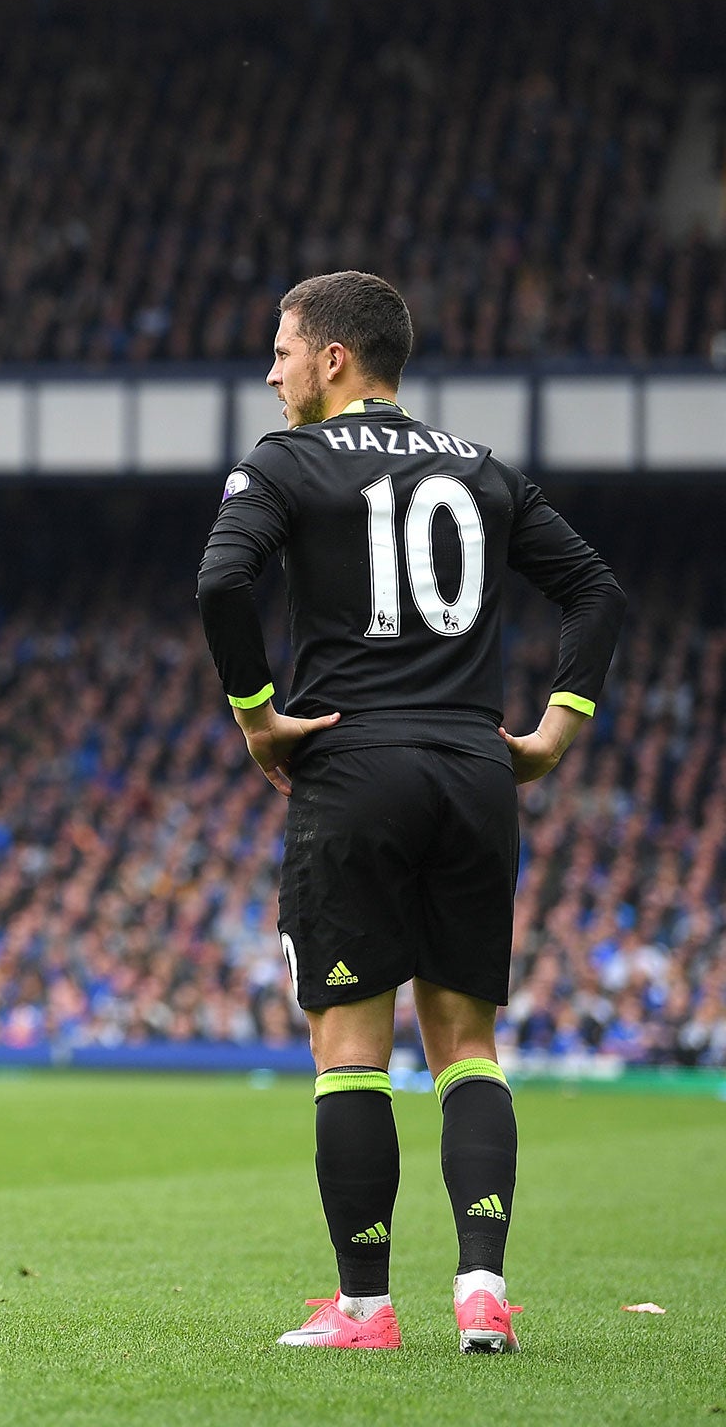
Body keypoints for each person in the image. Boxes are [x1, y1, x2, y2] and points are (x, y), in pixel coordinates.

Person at [196, 271, 626, 1353]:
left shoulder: (281, 463)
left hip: (353, 765)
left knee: (348, 1048)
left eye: (282, 349)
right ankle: (481, 1290)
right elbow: (595, 592)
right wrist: (554, 730)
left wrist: (255, 717)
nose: (271, 370)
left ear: (332, 358)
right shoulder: (480, 468)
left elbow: (218, 585)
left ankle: (364, 1308)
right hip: (474, 770)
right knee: (466, 1049)